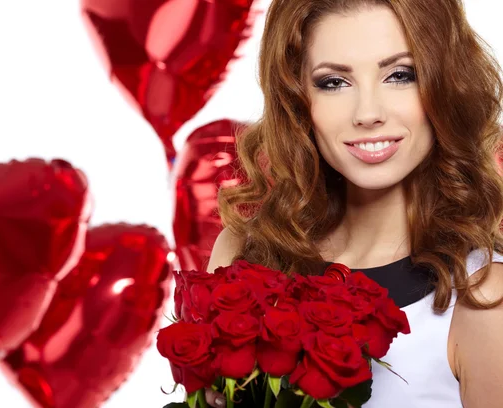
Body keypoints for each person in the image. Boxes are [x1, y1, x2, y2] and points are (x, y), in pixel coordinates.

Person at [202, 0, 503, 407]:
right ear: (296, 99)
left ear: (446, 85)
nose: (367, 113)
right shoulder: (242, 257)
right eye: (333, 82)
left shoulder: (484, 300)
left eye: (400, 75)